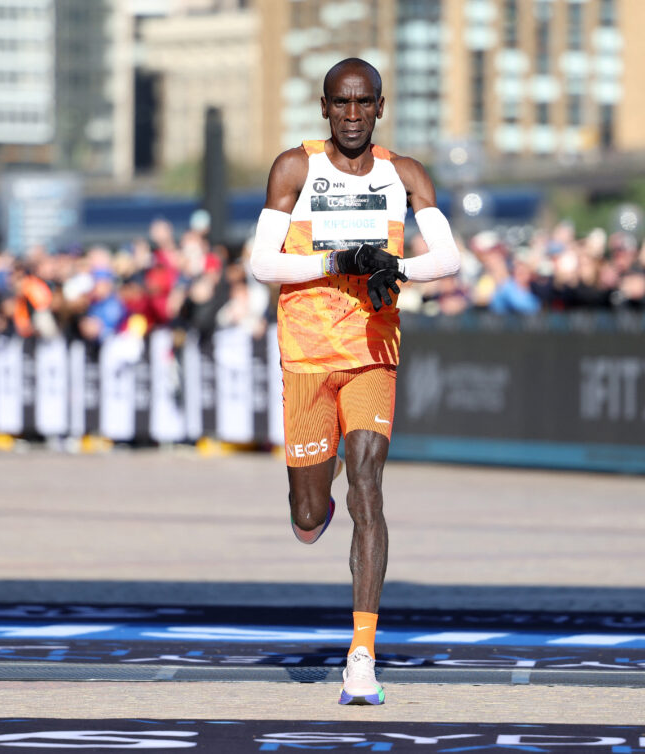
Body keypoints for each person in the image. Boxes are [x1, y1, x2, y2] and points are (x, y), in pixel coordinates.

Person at [249, 58, 460, 706]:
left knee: (369, 482)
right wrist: (338, 260)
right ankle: (315, 491)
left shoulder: (406, 174)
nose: (350, 115)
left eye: (362, 103)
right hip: (307, 357)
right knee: (310, 516)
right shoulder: (294, 168)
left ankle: (362, 656)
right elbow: (261, 262)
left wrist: (394, 265)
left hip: (373, 349)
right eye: (340, 104)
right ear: (323, 107)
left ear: (379, 107)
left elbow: (450, 257)